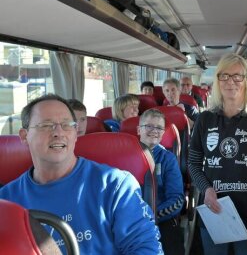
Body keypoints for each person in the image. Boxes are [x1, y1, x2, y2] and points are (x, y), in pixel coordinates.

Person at [0, 94, 163, 254]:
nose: (58, 132)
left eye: (66, 125)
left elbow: (146, 249)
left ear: (75, 132)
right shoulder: (6, 201)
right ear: (24, 136)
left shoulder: (115, 186)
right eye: (46, 125)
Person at [188, 53, 247, 255]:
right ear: (217, 80)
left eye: (238, 76)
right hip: (213, 212)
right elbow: (193, 164)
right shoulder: (205, 119)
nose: (231, 82)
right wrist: (206, 189)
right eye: (224, 76)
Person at [137, 109, 185, 255]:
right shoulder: (124, 155)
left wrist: (151, 216)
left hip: (160, 219)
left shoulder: (167, 159)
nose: (154, 131)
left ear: (163, 133)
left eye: (159, 128)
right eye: (149, 126)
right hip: (128, 220)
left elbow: (177, 200)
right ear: (139, 129)